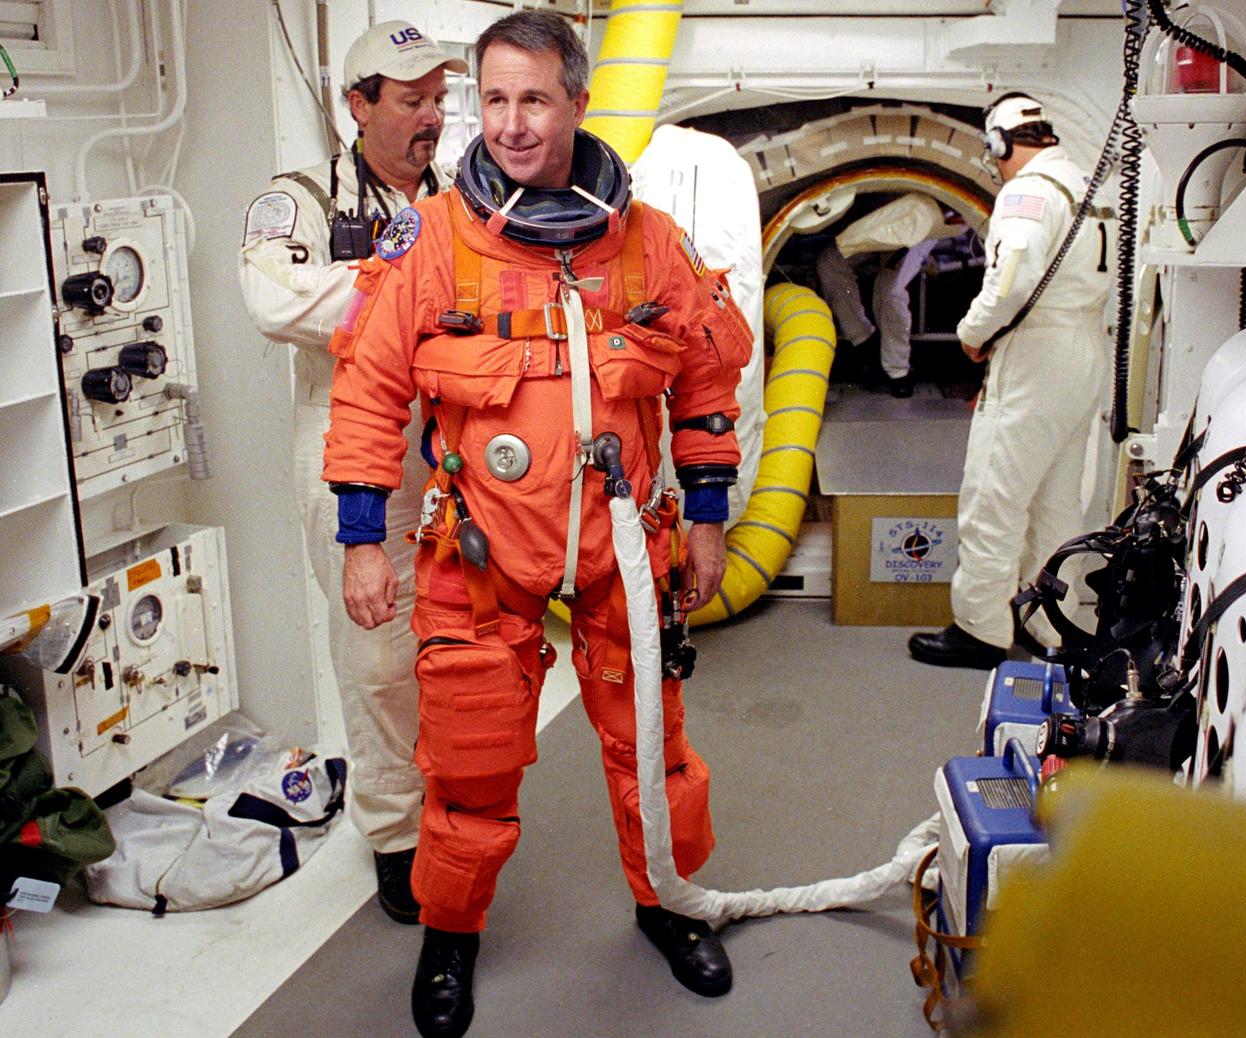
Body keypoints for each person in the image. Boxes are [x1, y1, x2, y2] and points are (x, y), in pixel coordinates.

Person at [321, 11, 754, 1037]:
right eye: (496, 99)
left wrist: (703, 520)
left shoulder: (646, 247)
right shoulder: (434, 244)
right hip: (481, 553)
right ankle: (450, 937)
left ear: (577, 101)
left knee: (651, 745)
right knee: (466, 768)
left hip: (622, 550)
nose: (512, 124)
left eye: (535, 100)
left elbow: (703, 384)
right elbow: (369, 391)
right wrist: (357, 539)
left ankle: (665, 903)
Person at [237, 21, 467, 922]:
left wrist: (382, 291)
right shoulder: (297, 199)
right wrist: (409, 291)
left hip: (452, 443)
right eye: (411, 100)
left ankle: (458, 805)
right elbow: (275, 300)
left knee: (459, 648)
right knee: (377, 658)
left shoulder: (463, 199)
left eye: (438, 100)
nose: (431, 118)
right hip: (343, 446)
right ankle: (396, 833)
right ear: (358, 104)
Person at [908, 93, 1113, 669]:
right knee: (1055, 501)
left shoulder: (1030, 192)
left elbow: (1010, 280)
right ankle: (1054, 625)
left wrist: (972, 332)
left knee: (993, 496)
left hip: (1038, 355)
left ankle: (980, 628)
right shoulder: (1085, 188)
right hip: (1083, 352)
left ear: (999, 143)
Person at [816, 238, 934, 398]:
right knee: (829, 263)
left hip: (915, 232)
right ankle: (864, 341)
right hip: (877, 227)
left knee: (890, 290)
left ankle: (898, 371)